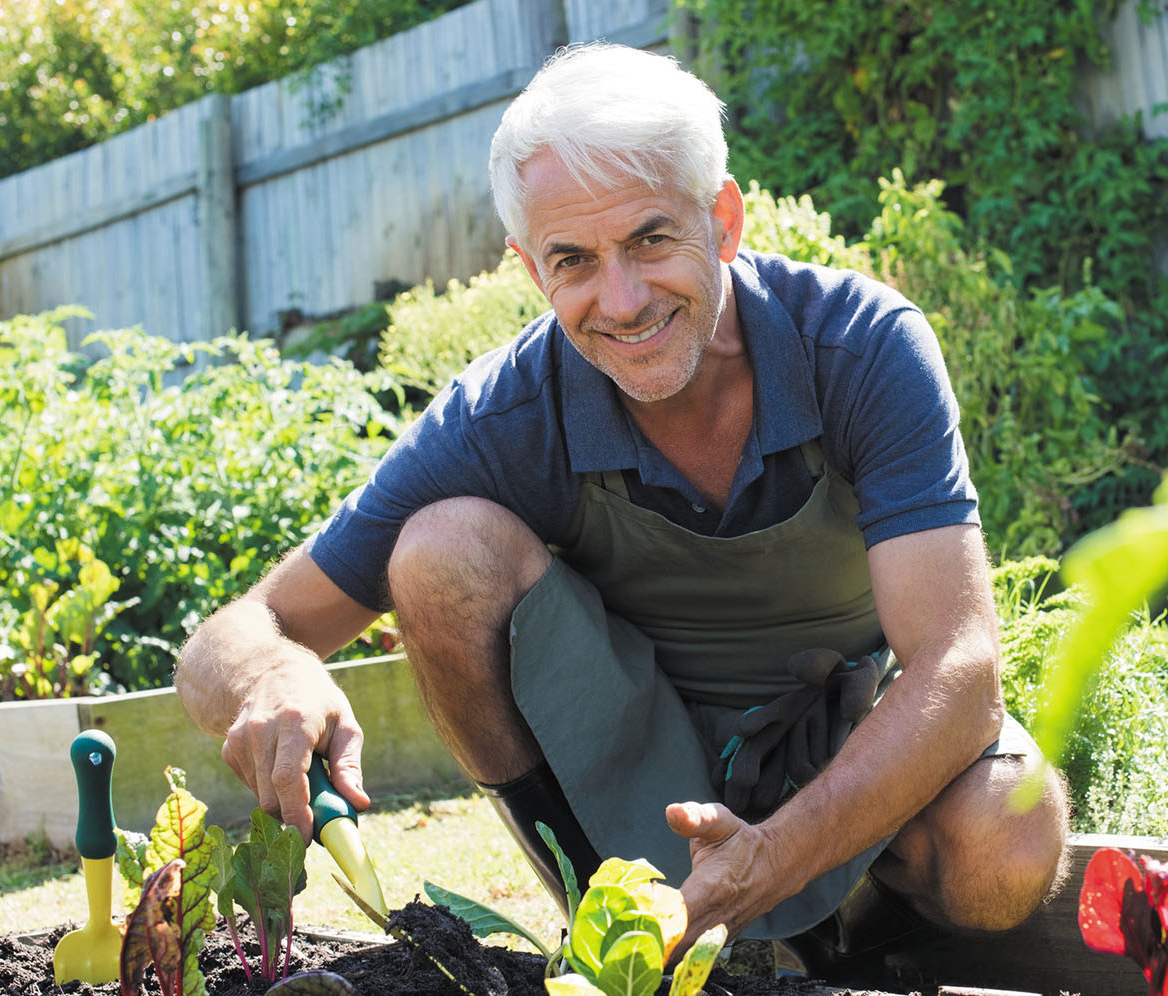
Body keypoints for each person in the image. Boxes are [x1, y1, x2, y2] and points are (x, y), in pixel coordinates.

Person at [174, 41, 1069, 978]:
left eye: (650, 238)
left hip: (848, 745)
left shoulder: (859, 346)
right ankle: (601, 918)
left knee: (1008, 846)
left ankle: (836, 945)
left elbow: (960, 673)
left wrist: (775, 857)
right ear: (531, 270)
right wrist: (268, 673)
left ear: (721, 219)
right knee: (437, 551)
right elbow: (229, 639)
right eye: (575, 260)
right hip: (638, 770)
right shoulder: (508, 416)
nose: (625, 299)